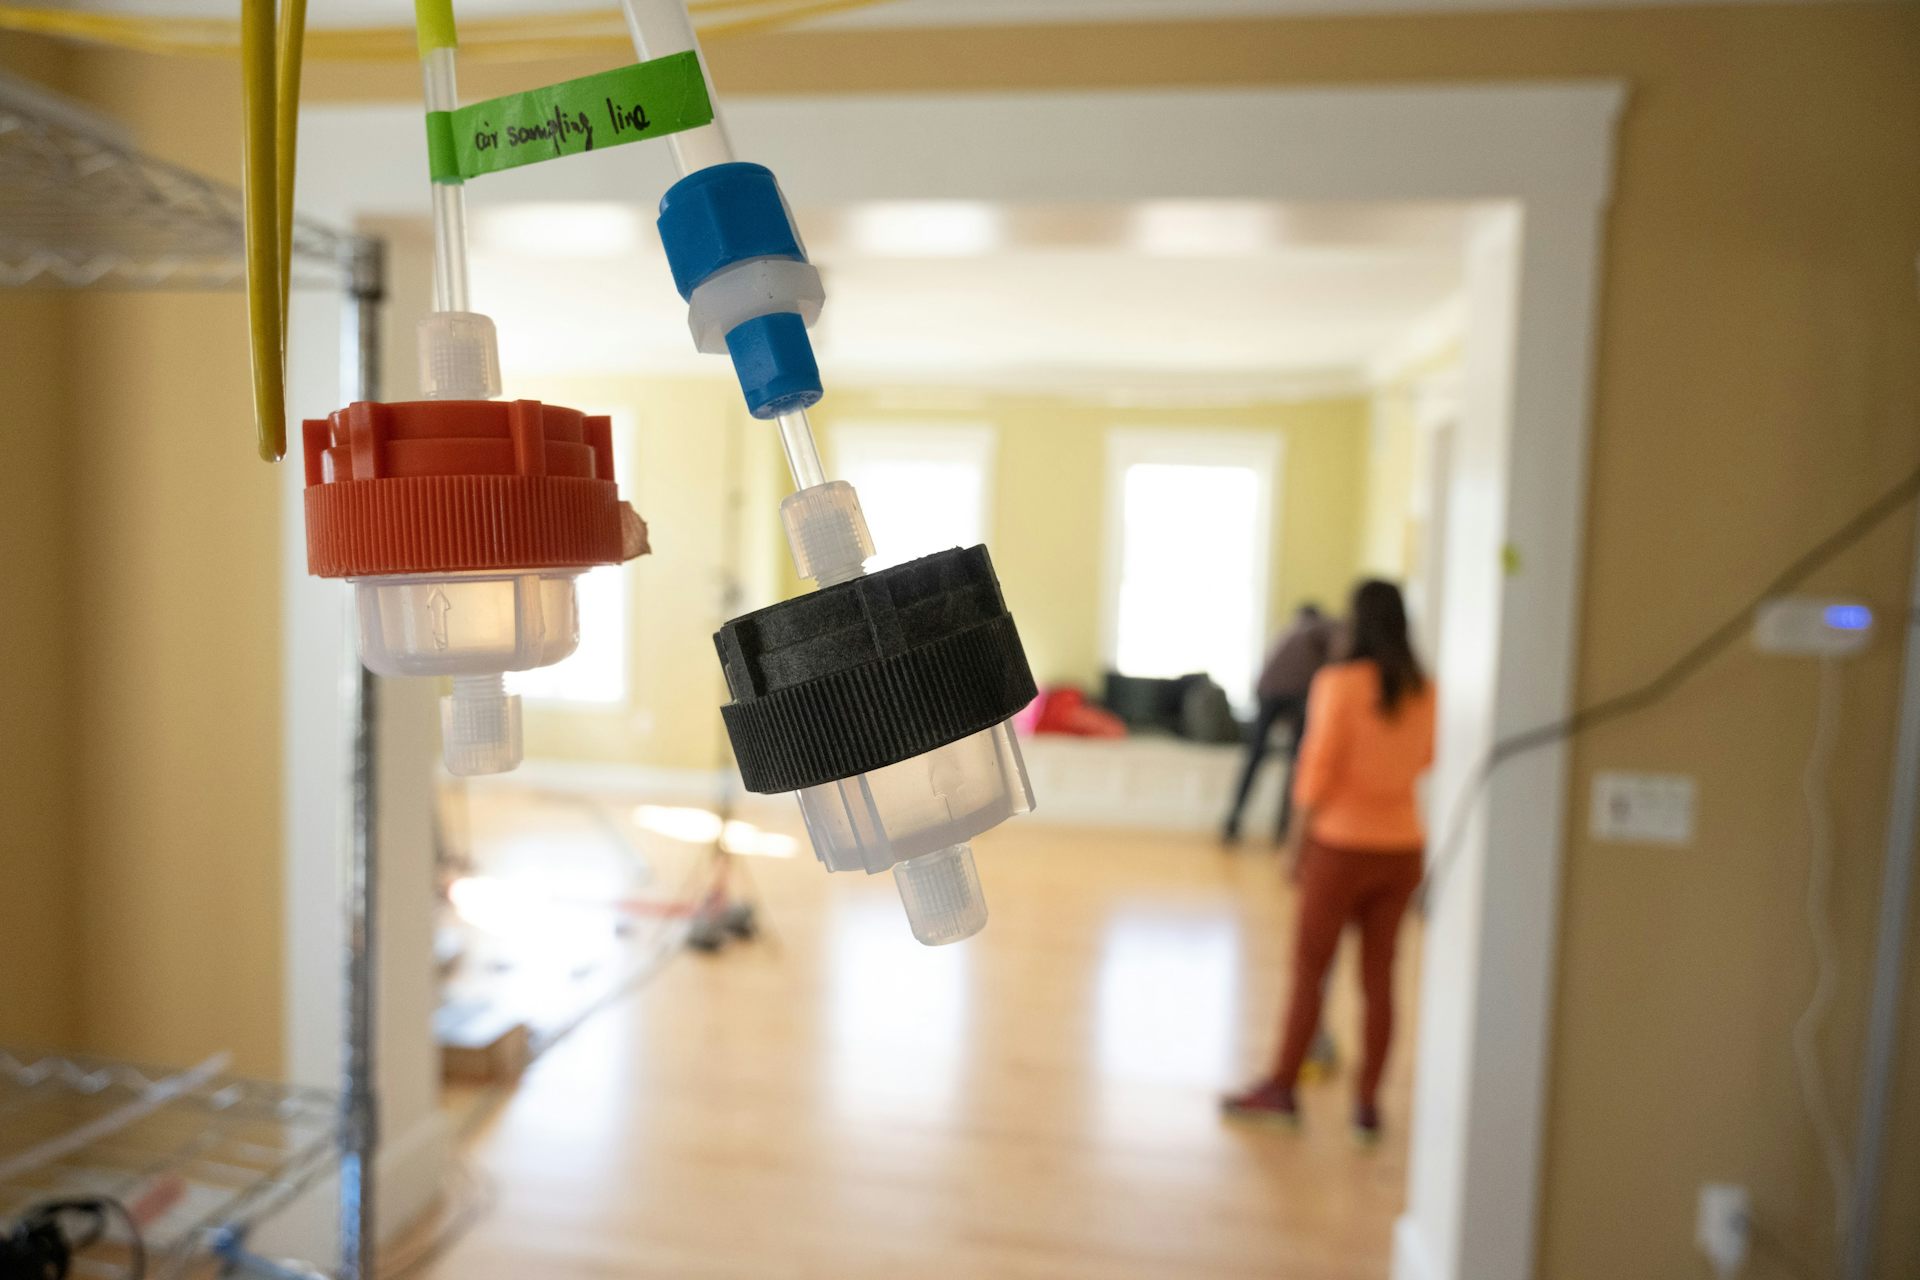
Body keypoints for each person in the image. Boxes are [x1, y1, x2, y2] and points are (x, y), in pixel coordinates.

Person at [1221, 579, 1436, 1143]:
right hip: (1403, 850)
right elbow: (1427, 759)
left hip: (1339, 850)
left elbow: (1314, 772)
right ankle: (1367, 1106)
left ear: (1355, 623)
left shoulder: (1338, 684)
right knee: (1380, 980)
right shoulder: (1425, 689)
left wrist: (1295, 847)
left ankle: (1282, 1089)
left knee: (1310, 972)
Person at [1221, 602, 1336, 845]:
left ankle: (1233, 820)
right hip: (1297, 696)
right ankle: (1283, 828)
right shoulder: (1320, 628)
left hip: (1267, 693)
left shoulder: (1289, 631)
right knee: (1297, 762)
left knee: (1256, 756)